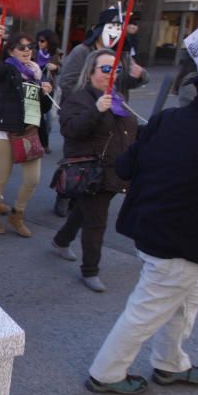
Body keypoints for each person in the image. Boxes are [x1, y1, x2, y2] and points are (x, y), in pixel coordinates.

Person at [85, 66, 198, 395]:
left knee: (186, 297)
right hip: (182, 239)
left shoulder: (169, 119)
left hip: (151, 228)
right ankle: (106, 373)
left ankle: (171, 363)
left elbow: (126, 165)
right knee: (148, 308)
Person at [50, 49, 138, 293]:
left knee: (83, 211)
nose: (112, 75)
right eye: (106, 69)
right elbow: (71, 130)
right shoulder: (78, 98)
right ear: (90, 72)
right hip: (90, 172)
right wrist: (96, 109)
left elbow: (126, 132)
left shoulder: (117, 98)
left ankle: (60, 241)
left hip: (114, 170)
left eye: (116, 70)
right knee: (96, 221)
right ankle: (90, 270)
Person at [54, 9, 148, 216]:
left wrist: (140, 76)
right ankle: (66, 193)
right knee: (80, 157)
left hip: (113, 112)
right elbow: (66, 81)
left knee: (107, 157)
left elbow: (125, 81)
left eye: (119, 28)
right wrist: (86, 101)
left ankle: (87, 204)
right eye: (111, 26)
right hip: (86, 110)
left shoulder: (121, 54)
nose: (115, 32)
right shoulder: (82, 51)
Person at [0, 30, 53, 237]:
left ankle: (17, 214)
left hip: (29, 132)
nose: (26, 51)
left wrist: (46, 93)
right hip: (4, 130)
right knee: (1, 178)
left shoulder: (36, 73)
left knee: (33, 178)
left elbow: (43, 109)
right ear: (11, 50)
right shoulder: (6, 69)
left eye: (30, 47)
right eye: (21, 47)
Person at [35, 29, 63, 152]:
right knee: (39, 116)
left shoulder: (55, 53)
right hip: (36, 87)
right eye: (38, 40)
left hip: (50, 88)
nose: (40, 43)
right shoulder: (33, 52)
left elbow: (60, 69)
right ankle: (43, 144)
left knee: (49, 117)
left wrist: (55, 67)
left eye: (42, 41)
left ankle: (43, 140)